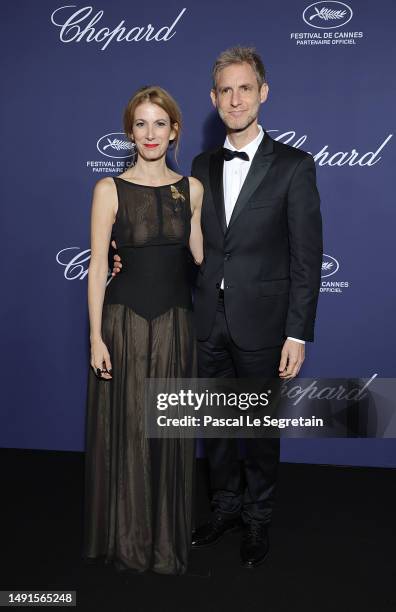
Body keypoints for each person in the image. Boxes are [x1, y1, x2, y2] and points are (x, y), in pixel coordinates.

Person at [113, 46, 323, 569]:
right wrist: (127, 255)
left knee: (258, 430)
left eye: (244, 88)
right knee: (216, 428)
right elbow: (178, 236)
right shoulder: (202, 167)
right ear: (213, 99)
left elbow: (307, 256)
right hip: (204, 318)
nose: (235, 99)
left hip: (264, 322)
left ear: (262, 93)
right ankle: (225, 510)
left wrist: (298, 332)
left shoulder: (295, 167)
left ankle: (257, 521)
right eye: (225, 90)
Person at [83, 85, 204, 575]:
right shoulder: (108, 189)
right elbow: (96, 267)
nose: (150, 134)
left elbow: (203, 259)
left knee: (169, 435)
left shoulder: (192, 189)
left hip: (176, 325)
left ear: (174, 130)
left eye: (160, 124)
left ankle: (166, 542)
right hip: (124, 324)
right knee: (129, 432)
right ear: (129, 132)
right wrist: (95, 336)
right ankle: (129, 543)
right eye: (141, 124)